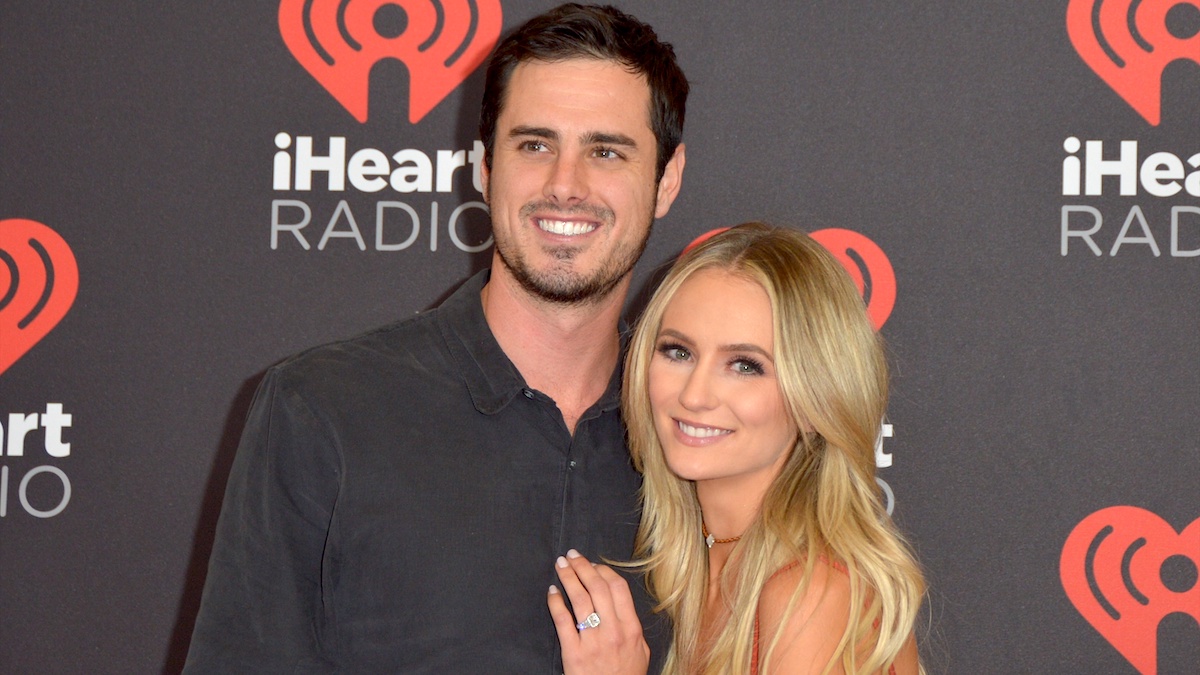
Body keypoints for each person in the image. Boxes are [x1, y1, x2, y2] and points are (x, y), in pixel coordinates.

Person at [184, 4, 686, 672]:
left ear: (667, 179)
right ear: (483, 166)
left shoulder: (699, 437)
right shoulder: (323, 409)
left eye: (605, 151)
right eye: (534, 145)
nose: (566, 185)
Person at [548, 223, 925, 674]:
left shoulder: (810, 592)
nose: (695, 394)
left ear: (814, 397)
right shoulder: (694, 564)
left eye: (745, 366)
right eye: (678, 352)